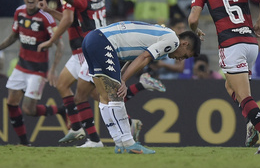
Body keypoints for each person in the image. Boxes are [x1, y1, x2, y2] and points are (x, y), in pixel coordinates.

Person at [188, 0, 260, 154]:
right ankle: (251, 124)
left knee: (243, 94)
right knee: (230, 87)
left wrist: (196, 31)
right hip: (251, 43)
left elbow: (192, 19)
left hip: (231, 44)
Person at [82, 21, 201, 154]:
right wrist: (123, 80)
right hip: (104, 42)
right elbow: (144, 57)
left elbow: (135, 57)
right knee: (117, 95)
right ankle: (129, 142)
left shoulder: (163, 35)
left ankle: (119, 143)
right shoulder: (173, 41)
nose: (181, 59)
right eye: (185, 55)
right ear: (185, 44)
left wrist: (121, 76)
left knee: (104, 96)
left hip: (91, 39)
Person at [37, 0, 107, 148]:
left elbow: (68, 18)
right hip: (83, 52)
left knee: (90, 96)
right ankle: (77, 128)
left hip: (89, 51)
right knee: (63, 84)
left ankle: (98, 137)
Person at [0, 0, 65, 146]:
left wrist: (53, 69)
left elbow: (60, 44)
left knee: (28, 110)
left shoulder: (46, 18)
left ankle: (61, 110)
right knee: (11, 103)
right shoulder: (19, 12)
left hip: (38, 70)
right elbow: (14, 36)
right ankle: (24, 143)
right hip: (21, 66)